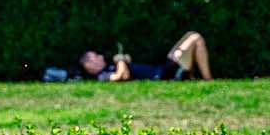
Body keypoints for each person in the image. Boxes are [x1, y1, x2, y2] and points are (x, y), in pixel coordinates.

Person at [77, 30, 213, 82]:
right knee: (195, 38)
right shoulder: (102, 75)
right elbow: (122, 77)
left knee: (190, 35)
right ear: (88, 65)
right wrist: (121, 62)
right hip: (163, 74)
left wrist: (124, 62)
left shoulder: (109, 68)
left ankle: (192, 75)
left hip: (161, 69)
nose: (100, 56)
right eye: (96, 56)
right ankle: (208, 79)